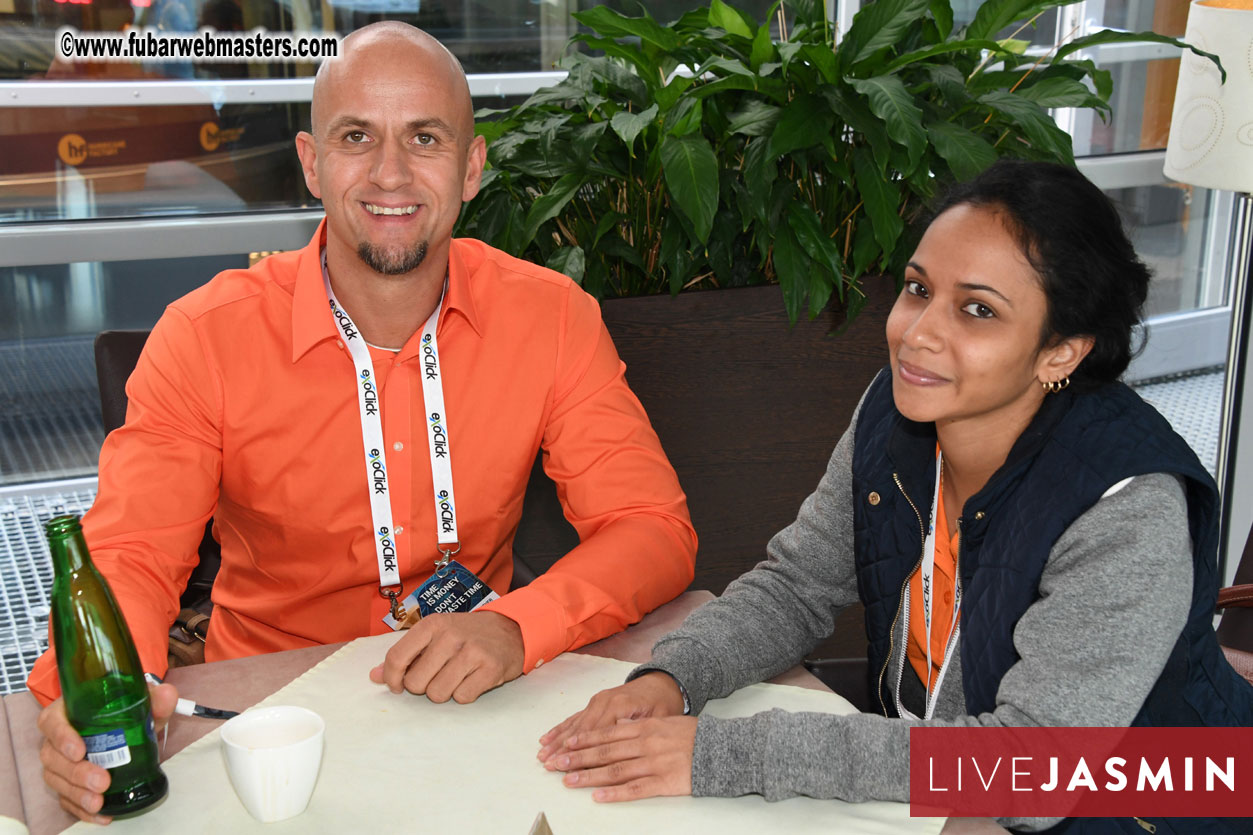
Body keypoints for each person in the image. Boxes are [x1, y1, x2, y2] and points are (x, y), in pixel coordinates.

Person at [32, 21, 697, 824]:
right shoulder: (205, 336)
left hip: (479, 702)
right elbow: (130, 558)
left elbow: (651, 527)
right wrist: (87, 698)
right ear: (313, 163)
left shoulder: (550, 316)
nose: (390, 172)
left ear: (470, 167)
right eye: (357, 137)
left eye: (424, 137)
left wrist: (517, 626)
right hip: (265, 720)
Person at [537, 160, 1253, 833]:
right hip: (937, 796)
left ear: (1060, 350)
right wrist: (672, 675)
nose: (918, 334)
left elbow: (1034, 771)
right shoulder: (902, 406)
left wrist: (725, 754)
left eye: (977, 310)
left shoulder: (1127, 506)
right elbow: (796, 586)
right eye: (918, 288)